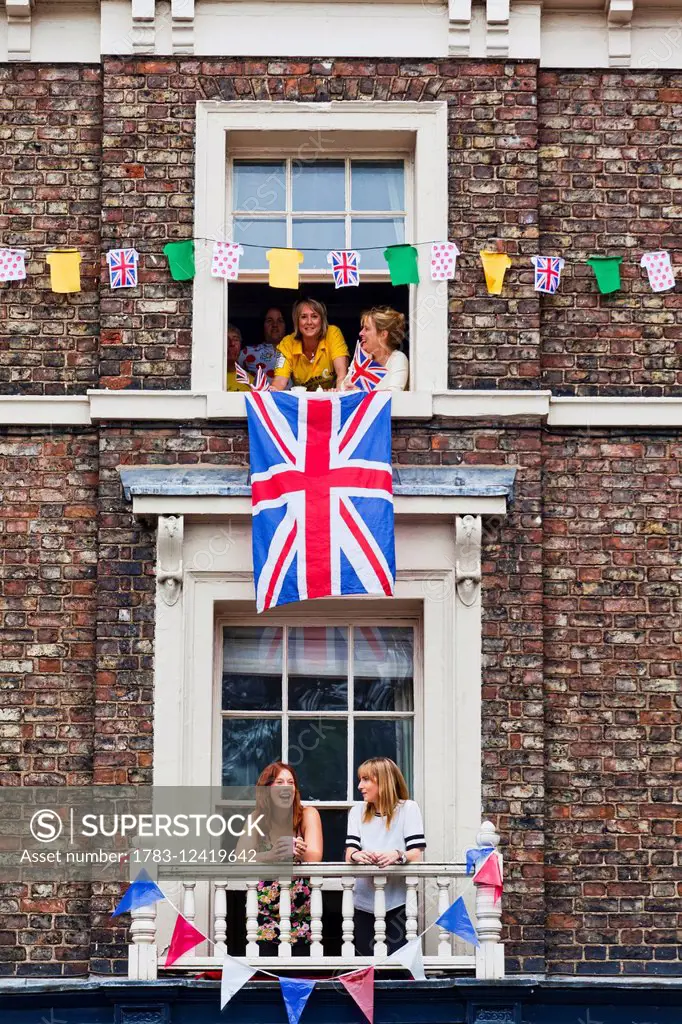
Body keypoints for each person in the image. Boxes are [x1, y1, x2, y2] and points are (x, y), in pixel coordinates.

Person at [236, 762, 323, 955]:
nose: (286, 787)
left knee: (299, 975)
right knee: (266, 973)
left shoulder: (308, 814)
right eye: (279, 782)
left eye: (290, 782)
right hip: (263, 913)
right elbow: (240, 857)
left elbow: (315, 855)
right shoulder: (256, 818)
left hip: (301, 914)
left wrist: (300, 852)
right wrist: (271, 855)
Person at [345, 757, 425, 956]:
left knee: (398, 965)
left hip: (398, 902)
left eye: (365, 780)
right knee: (363, 966)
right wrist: (358, 856)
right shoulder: (357, 812)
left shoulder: (408, 808)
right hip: (362, 902)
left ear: (383, 781)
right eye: (360, 780)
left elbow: (416, 854)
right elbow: (349, 852)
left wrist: (397, 855)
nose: (360, 786)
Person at [272, 298, 349, 392]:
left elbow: (342, 374)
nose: (309, 322)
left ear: (322, 320)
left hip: (331, 399)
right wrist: (271, 392)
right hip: (303, 403)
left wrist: (339, 394)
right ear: (297, 321)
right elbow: (279, 381)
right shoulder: (287, 343)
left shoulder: (333, 333)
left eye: (314, 316)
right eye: (303, 317)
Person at [341, 306, 409, 392]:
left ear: (383, 335)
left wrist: (361, 393)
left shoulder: (398, 358)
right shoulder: (361, 359)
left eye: (367, 329)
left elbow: (393, 395)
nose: (360, 333)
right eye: (362, 329)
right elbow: (344, 388)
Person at [239, 307, 286, 381]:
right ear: (262, 325)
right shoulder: (247, 352)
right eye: (269, 321)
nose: (275, 325)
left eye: (280, 321)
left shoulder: (294, 352)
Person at [226, 323, 250, 392]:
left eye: (236, 339)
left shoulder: (251, 382)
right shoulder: (211, 379)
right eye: (227, 339)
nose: (232, 343)